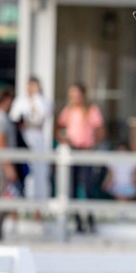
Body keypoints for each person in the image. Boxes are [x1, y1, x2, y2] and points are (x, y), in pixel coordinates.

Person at [55, 83, 105, 233]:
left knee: (88, 187)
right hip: (72, 151)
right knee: (72, 187)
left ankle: (90, 219)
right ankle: (77, 221)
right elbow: (58, 127)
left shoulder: (91, 110)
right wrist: (63, 140)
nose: (74, 97)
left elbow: (100, 130)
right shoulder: (68, 110)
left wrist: (93, 145)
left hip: (86, 151)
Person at [9, 77, 53, 206]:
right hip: (23, 137)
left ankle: (37, 206)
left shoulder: (43, 101)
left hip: (37, 138)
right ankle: (19, 205)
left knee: (38, 171)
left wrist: (36, 99)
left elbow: (42, 114)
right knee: (22, 170)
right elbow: (15, 117)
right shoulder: (20, 101)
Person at [0, 85, 19, 239]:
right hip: (2, 164)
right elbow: (2, 143)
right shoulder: (1, 118)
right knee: (3, 196)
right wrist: (8, 166)